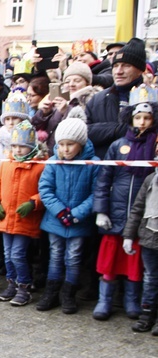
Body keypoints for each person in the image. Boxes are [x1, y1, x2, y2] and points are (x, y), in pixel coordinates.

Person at [92, 90, 158, 321]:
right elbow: (104, 179)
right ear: (131, 118)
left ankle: (132, 300)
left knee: (135, 263)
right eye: (138, 117)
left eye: (147, 118)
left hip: (141, 216)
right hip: (115, 211)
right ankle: (105, 300)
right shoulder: (117, 145)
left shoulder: (155, 145)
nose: (142, 122)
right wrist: (101, 209)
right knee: (110, 260)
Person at [36, 118, 100, 314]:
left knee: (73, 257)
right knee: (55, 256)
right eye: (61, 144)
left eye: (70, 145)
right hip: (56, 220)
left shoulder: (93, 163)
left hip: (79, 221)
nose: (65, 149)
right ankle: (52, 292)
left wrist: (76, 214)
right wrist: (60, 212)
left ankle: (68, 294)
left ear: (80, 143)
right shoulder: (54, 162)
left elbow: (96, 192)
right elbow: (45, 189)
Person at [0, 121, 46, 305]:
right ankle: (12, 284)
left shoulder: (40, 166)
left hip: (24, 219)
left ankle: (24, 286)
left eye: (22, 146)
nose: (18, 150)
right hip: (6, 217)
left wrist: (33, 203)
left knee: (17, 254)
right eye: (15, 146)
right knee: (7, 254)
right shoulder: (6, 164)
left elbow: (45, 191)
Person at [86, 38, 147, 158]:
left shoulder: (151, 99)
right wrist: (115, 129)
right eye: (116, 66)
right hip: (103, 171)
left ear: (140, 70)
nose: (119, 71)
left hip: (139, 172)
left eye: (126, 66)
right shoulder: (97, 100)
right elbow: (84, 132)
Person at [123, 168, 158, 335]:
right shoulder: (151, 179)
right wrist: (128, 236)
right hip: (150, 236)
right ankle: (147, 314)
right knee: (150, 278)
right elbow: (137, 208)